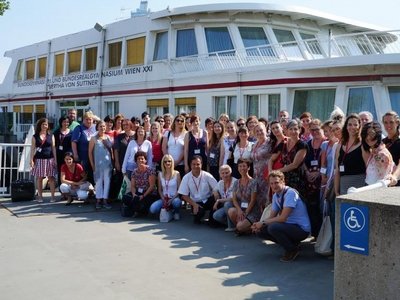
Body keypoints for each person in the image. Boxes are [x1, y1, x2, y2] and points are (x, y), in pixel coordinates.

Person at [252, 171, 311, 262]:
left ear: (283, 182)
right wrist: (258, 224)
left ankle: (292, 250)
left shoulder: (290, 193)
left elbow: (283, 218)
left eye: (276, 182)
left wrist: (263, 222)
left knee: (273, 227)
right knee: (261, 231)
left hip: (301, 229)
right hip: (289, 226)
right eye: (271, 183)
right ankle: (292, 244)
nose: (274, 186)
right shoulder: (276, 196)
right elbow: (272, 217)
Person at [178, 156, 218, 225]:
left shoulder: (207, 175)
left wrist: (215, 193)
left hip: (207, 200)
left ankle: (212, 218)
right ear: (190, 165)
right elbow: (183, 195)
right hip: (196, 202)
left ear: (201, 164)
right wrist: (194, 204)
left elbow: (217, 188)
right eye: (193, 164)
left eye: (198, 164)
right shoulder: (186, 177)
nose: (196, 166)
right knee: (197, 219)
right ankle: (197, 215)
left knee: (213, 223)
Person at [274, 119, 308, 197]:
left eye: (295, 129)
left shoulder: (302, 145)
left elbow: (295, 165)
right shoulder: (284, 143)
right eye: (291, 129)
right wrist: (271, 171)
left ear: (300, 130)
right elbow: (272, 158)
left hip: (297, 179)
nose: (293, 131)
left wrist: (277, 171)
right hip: (283, 178)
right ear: (287, 130)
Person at [303, 119, 325, 238]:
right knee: (311, 206)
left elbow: (328, 162)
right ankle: (315, 233)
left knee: (320, 207)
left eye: (317, 129)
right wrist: (307, 172)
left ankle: (322, 234)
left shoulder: (326, 143)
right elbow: (303, 160)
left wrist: (319, 173)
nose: (315, 132)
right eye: (312, 129)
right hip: (309, 180)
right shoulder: (308, 143)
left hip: (322, 179)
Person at [334, 114, 365, 196]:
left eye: (355, 125)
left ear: (359, 126)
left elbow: (368, 167)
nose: (352, 127)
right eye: (350, 124)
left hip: (359, 186)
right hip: (343, 185)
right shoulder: (341, 143)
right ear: (346, 126)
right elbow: (337, 169)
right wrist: (336, 191)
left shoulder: (363, 143)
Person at [228, 159, 259, 235]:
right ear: (238, 168)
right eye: (240, 166)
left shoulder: (253, 182)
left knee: (240, 226)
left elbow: (253, 200)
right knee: (231, 211)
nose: (242, 168)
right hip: (241, 210)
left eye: (244, 166)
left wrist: (245, 213)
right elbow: (234, 200)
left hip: (251, 211)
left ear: (248, 168)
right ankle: (243, 228)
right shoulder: (236, 182)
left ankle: (245, 229)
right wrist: (239, 210)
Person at [30, 118, 57, 203]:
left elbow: (53, 148)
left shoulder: (51, 135)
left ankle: (53, 197)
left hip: (50, 159)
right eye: (43, 124)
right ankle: (40, 197)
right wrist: (31, 160)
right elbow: (32, 149)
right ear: (39, 125)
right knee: (40, 178)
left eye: (46, 124)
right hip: (39, 159)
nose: (44, 126)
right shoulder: (35, 136)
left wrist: (55, 159)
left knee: (51, 178)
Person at [122, 151, 158, 216]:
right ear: (136, 161)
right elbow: (133, 186)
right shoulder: (134, 171)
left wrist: (143, 195)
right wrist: (133, 194)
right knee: (125, 197)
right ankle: (136, 210)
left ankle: (136, 210)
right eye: (138, 159)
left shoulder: (150, 171)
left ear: (145, 160)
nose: (140, 160)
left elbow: (152, 186)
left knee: (141, 201)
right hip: (138, 192)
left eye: (142, 159)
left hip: (148, 193)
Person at [88, 120, 114, 209]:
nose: (102, 128)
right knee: (98, 182)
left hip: (107, 165)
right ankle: (98, 199)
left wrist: (113, 162)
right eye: (100, 126)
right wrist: (92, 165)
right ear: (97, 127)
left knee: (107, 182)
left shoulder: (108, 138)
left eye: (103, 126)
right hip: (98, 165)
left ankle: (105, 199)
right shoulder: (93, 138)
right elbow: (90, 153)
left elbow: (111, 151)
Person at [149, 154, 182, 220]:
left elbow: (180, 189)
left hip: (174, 198)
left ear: (172, 162)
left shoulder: (177, 173)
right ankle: (165, 210)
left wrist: (171, 199)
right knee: (152, 209)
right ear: (163, 163)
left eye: (169, 161)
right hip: (164, 198)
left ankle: (176, 212)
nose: (167, 163)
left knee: (177, 202)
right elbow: (160, 190)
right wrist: (163, 199)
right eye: (165, 161)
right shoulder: (160, 174)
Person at [71, 111, 97, 184]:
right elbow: (74, 142)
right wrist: (75, 154)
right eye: (86, 119)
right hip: (83, 156)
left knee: (93, 173)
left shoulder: (95, 127)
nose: (88, 121)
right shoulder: (79, 128)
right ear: (83, 120)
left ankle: (93, 191)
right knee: (84, 174)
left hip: (94, 156)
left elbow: (102, 122)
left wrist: (95, 118)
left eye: (90, 119)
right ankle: (84, 192)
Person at [212, 165, 237, 231]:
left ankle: (232, 226)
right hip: (226, 206)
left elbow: (233, 199)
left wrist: (219, 200)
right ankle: (236, 223)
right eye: (222, 173)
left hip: (236, 206)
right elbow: (214, 190)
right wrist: (215, 192)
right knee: (216, 216)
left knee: (227, 204)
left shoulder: (235, 182)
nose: (225, 175)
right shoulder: (220, 182)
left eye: (227, 172)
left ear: (230, 173)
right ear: (220, 174)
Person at [53, 115, 72, 186]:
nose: (66, 123)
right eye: (64, 122)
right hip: (59, 155)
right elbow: (53, 144)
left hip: (69, 156)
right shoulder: (56, 132)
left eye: (67, 122)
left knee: (69, 171)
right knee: (60, 172)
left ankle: (69, 190)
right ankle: (62, 191)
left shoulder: (72, 132)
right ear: (61, 122)